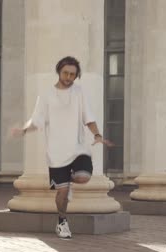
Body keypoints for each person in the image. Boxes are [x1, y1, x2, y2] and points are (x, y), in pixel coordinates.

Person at [12, 56, 113, 239]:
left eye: (72, 74)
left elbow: (88, 117)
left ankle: (68, 182)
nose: (68, 77)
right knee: (62, 192)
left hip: (78, 148)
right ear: (59, 71)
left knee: (83, 177)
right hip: (56, 153)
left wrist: (97, 135)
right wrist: (24, 130)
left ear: (76, 76)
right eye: (66, 73)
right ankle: (62, 222)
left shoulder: (79, 92)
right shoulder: (47, 95)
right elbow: (37, 120)